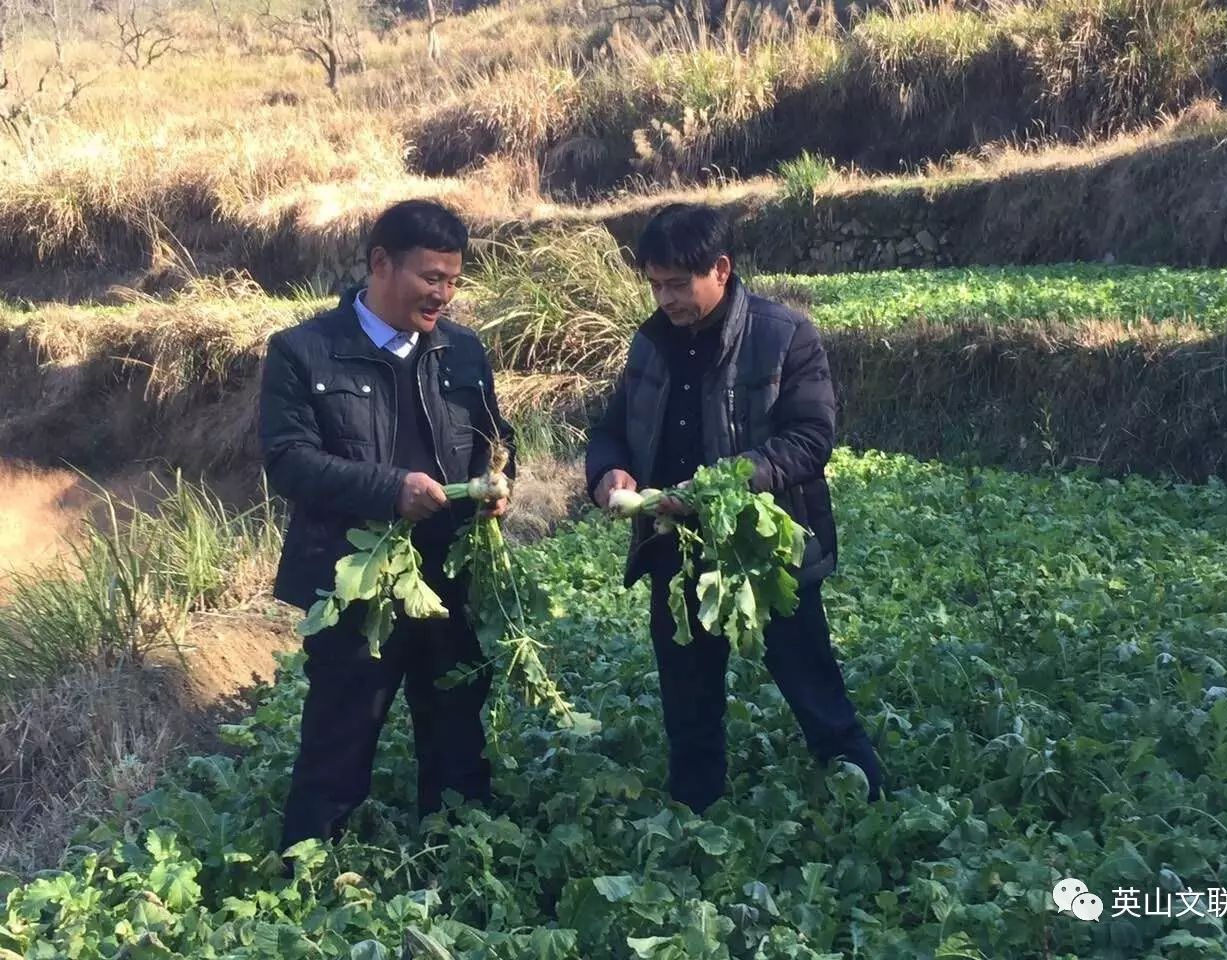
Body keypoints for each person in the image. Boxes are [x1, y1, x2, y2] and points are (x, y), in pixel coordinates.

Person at [585, 203, 884, 813]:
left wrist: (716, 487)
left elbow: (808, 439)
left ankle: (869, 793)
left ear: (720, 269)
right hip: (677, 547)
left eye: (677, 283)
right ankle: (697, 815)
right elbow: (612, 429)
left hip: (766, 550)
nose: (665, 298)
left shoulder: (783, 335)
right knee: (687, 696)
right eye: (655, 284)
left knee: (811, 682)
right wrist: (607, 474)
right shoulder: (651, 344)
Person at [258, 199, 515, 851]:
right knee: (338, 740)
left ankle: (459, 861)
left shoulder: (462, 350)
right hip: (355, 585)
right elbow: (289, 462)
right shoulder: (304, 352)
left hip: (449, 582)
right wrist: (388, 489)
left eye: (454, 280)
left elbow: (496, 438)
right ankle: (312, 878)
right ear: (381, 263)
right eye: (432, 277)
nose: (444, 294)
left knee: (457, 731)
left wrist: (497, 482)